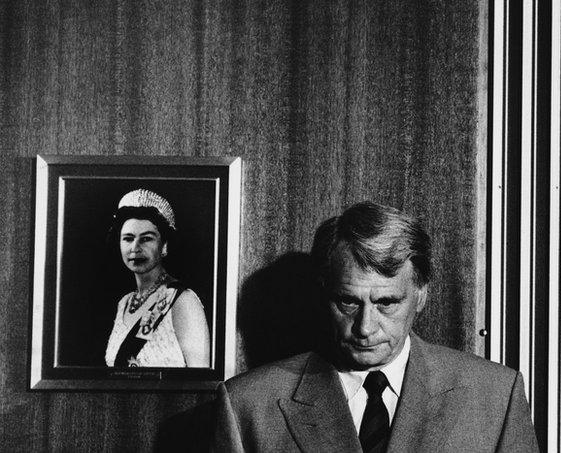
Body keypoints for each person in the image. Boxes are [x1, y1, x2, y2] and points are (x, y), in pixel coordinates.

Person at [213, 201, 538, 452]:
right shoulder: (248, 406)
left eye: (386, 303)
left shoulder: (495, 397)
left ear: (420, 296)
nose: (365, 328)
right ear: (323, 293)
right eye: (348, 302)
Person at [104, 188, 211, 368]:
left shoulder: (182, 301)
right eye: (128, 239)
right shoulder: (124, 303)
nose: (135, 248)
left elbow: (201, 386)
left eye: (146, 239)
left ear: (164, 246)